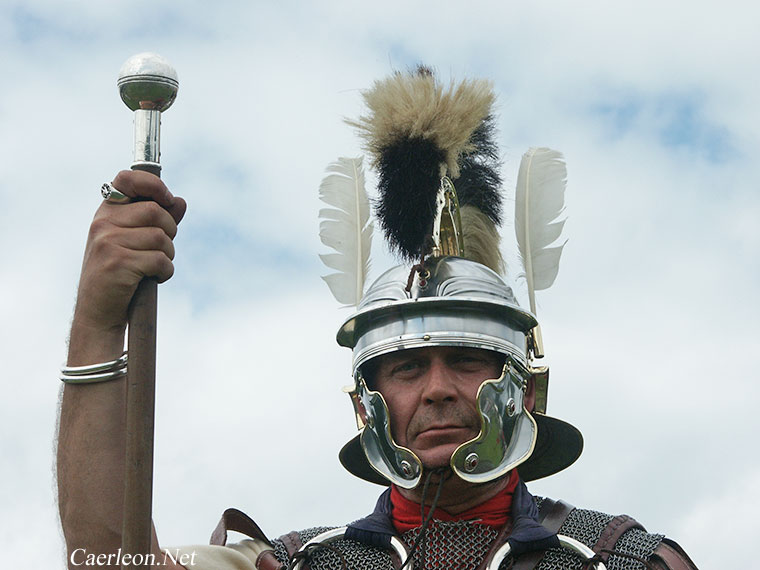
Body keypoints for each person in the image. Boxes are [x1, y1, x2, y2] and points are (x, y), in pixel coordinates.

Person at [57, 68, 698, 569]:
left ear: (527, 390)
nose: (438, 388)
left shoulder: (625, 561)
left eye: (468, 360)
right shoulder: (292, 566)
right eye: (407, 367)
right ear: (366, 405)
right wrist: (97, 317)